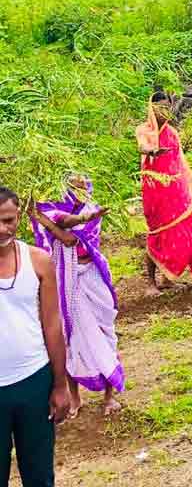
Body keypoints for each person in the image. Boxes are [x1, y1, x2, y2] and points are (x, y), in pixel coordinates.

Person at [28, 178, 124, 418]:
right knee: (68, 337)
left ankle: (109, 396)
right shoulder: (49, 205)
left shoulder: (92, 208)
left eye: (83, 179)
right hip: (63, 278)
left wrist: (49, 222)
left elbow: (70, 236)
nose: (79, 181)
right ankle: (75, 396)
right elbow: (59, 221)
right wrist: (46, 220)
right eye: (73, 179)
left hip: (91, 276)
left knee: (103, 333)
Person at [0, 187, 72, 486]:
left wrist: (60, 385)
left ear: (19, 216)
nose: (2, 229)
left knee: (39, 474)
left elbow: (52, 326)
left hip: (34, 381)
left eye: (8, 220)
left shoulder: (38, 261)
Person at [137, 91, 192, 292]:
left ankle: (172, 277)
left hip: (176, 191)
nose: (164, 112)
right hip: (155, 192)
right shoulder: (144, 130)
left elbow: (180, 163)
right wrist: (152, 151)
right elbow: (142, 146)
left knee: (187, 229)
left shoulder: (173, 133)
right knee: (157, 233)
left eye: (167, 107)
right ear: (151, 109)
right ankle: (151, 282)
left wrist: (186, 188)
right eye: (159, 108)